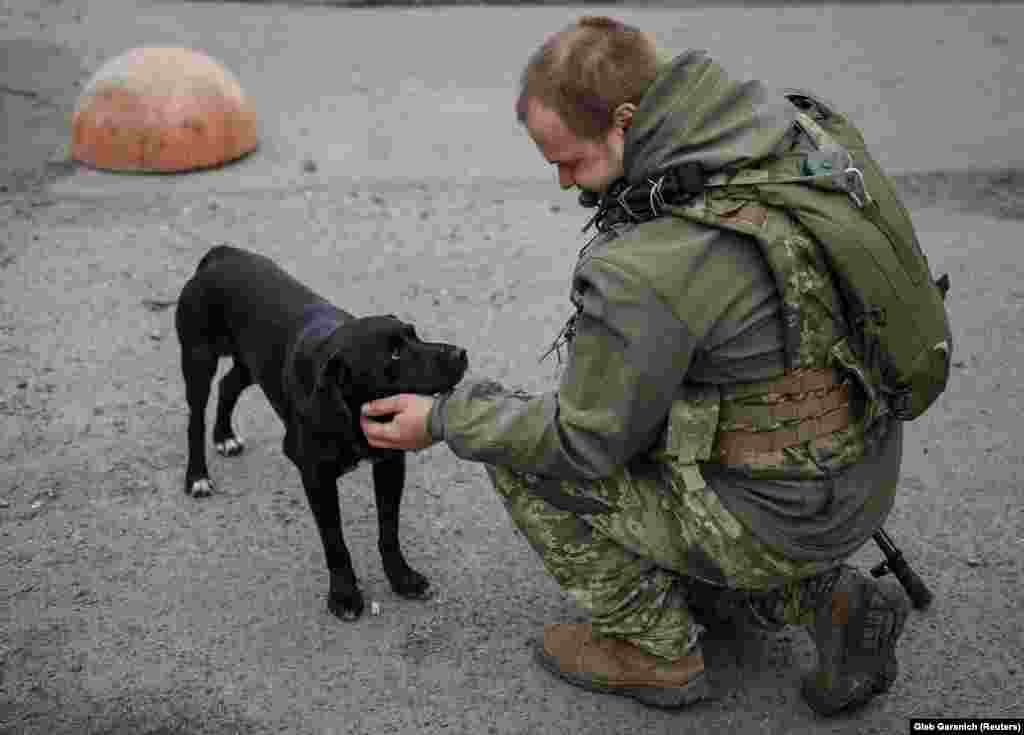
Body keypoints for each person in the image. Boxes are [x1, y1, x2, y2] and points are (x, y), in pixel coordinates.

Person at [360, 16, 910, 716]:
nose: (563, 184)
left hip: (781, 511)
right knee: (671, 420)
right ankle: (832, 597)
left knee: (520, 449)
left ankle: (656, 649)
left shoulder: (649, 264)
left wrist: (441, 416)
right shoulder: (767, 139)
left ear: (626, 121)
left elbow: (582, 442)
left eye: (569, 160)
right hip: (858, 470)